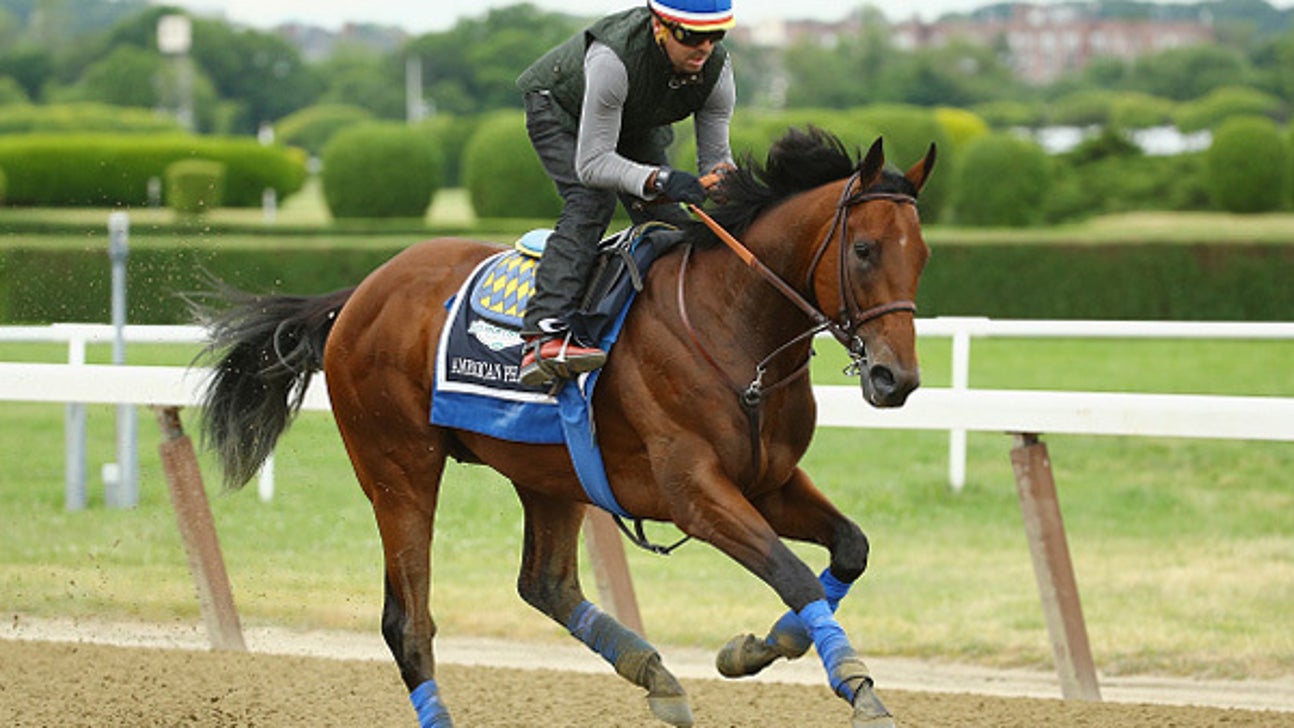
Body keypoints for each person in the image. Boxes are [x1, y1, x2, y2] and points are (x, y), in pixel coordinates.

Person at [515, 0, 737, 386]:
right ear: (660, 27)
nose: (704, 48)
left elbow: (716, 159)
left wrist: (730, 186)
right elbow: (593, 164)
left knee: (669, 226)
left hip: (634, 123)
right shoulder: (612, 59)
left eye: (715, 35)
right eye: (692, 36)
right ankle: (544, 333)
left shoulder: (717, 71)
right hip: (560, 110)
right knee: (591, 199)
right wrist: (661, 180)